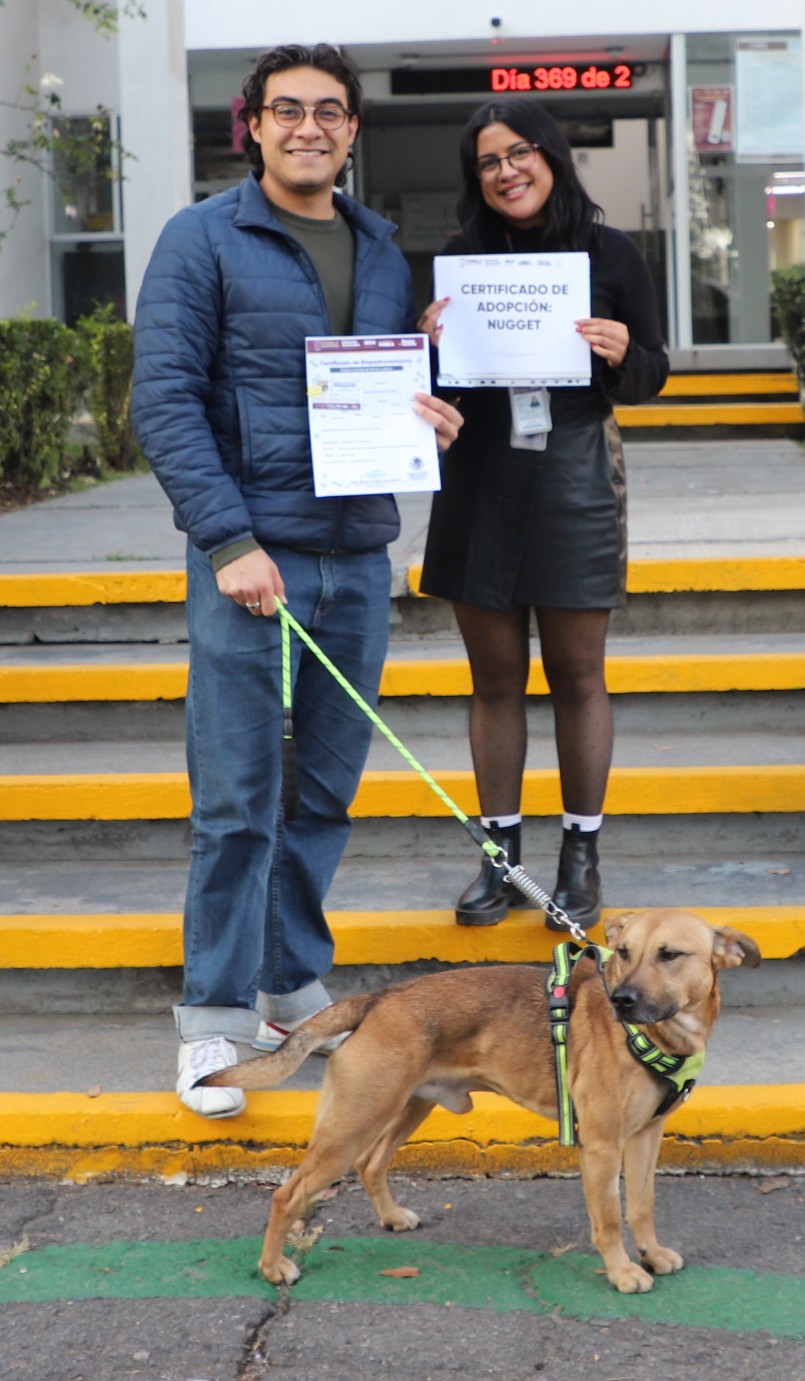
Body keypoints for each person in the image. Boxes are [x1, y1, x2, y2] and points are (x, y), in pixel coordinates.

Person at [131, 43, 462, 1118]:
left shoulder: (379, 248)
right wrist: (228, 540)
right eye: (287, 110)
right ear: (254, 126)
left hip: (354, 557)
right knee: (236, 802)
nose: (308, 127)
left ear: (352, 129)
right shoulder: (200, 239)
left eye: (328, 110)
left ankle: (285, 985)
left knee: (321, 795)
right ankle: (213, 1019)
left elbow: (366, 390)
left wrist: (426, 406)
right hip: (250, 560)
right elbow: (164, 401)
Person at [418, 98, 668, 933]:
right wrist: (427, 347)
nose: (505, 171)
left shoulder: (609, 252)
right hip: (480, 471)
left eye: (519, 152)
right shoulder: (460, 260)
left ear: (551, 157)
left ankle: (579, 857)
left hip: (573, 467)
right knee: (493, 678)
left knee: (576, 673)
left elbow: (652, 372)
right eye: (487, 161)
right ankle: (499, 860)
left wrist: (624, 352)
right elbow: (434, 390)